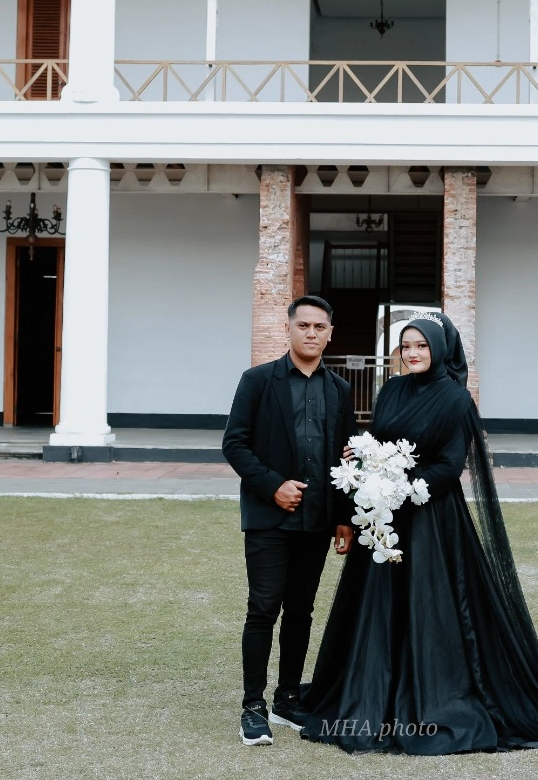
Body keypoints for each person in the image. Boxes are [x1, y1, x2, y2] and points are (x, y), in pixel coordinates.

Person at [299, 311, 538, 754]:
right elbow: (379, 441)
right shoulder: (392, 390)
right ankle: (373, 682)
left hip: (432, 518)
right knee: (378, 602)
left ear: (439, 349)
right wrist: (364, 461)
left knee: (432, 601)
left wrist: (401, 486)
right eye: (406, 346)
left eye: (421, 346)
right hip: (385, 518)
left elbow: (449, 465)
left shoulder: (456, 399)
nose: (412, 353)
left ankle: (438, 688)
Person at [221, 294, 357, 747]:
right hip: (268, 517)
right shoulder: (258, 381)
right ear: (289, 329)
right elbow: (234, 444)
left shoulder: (339, 389)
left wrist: (344, 517)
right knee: (263, 609)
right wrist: (273, 485)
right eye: (304, 325)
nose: (311, 333)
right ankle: (253, 706)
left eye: (320, 327)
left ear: (330, 334)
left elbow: (346, 457)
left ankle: (288, 698)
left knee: (301, 610)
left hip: (317, 520)